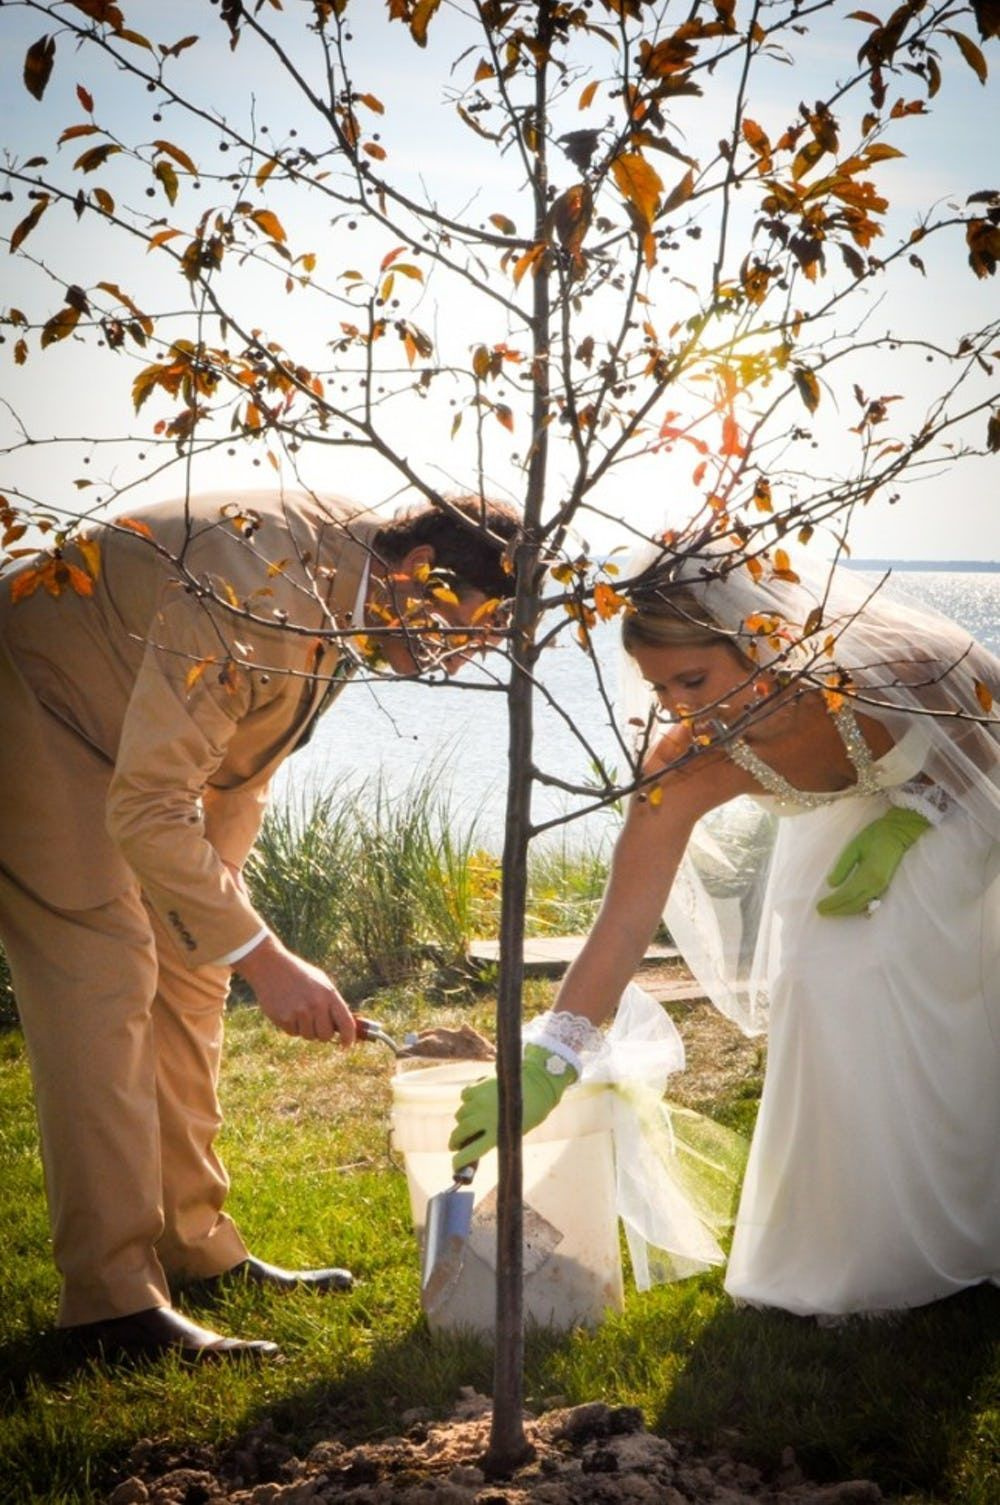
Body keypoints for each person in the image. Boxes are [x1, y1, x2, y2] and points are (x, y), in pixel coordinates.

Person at [0, 486, 518, 1361]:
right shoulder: (254, 590)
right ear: (424, 571)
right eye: (470, 632)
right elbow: (152, 805)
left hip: (127, 738)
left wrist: (226, 925)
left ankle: (193, 1246)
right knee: (107, 970)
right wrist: (269, 960)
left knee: (192, 966)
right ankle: (111, 1304)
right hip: (30, 701)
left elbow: (239, 762)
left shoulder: (359, 584)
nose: (461, 660)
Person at [451, 533, 1000, 1320]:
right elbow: (626, 914)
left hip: (965, 794)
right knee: (816, 979)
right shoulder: (684, 761)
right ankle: (856, 1249)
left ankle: (968, 1218)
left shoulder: (890, 668)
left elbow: (984, 718)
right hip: (852, 818)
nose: (679, 705)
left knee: (903, 966)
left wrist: (916, 813)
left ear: (764, 642)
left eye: (696, 677)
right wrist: (551, 1056)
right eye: (659, 685)